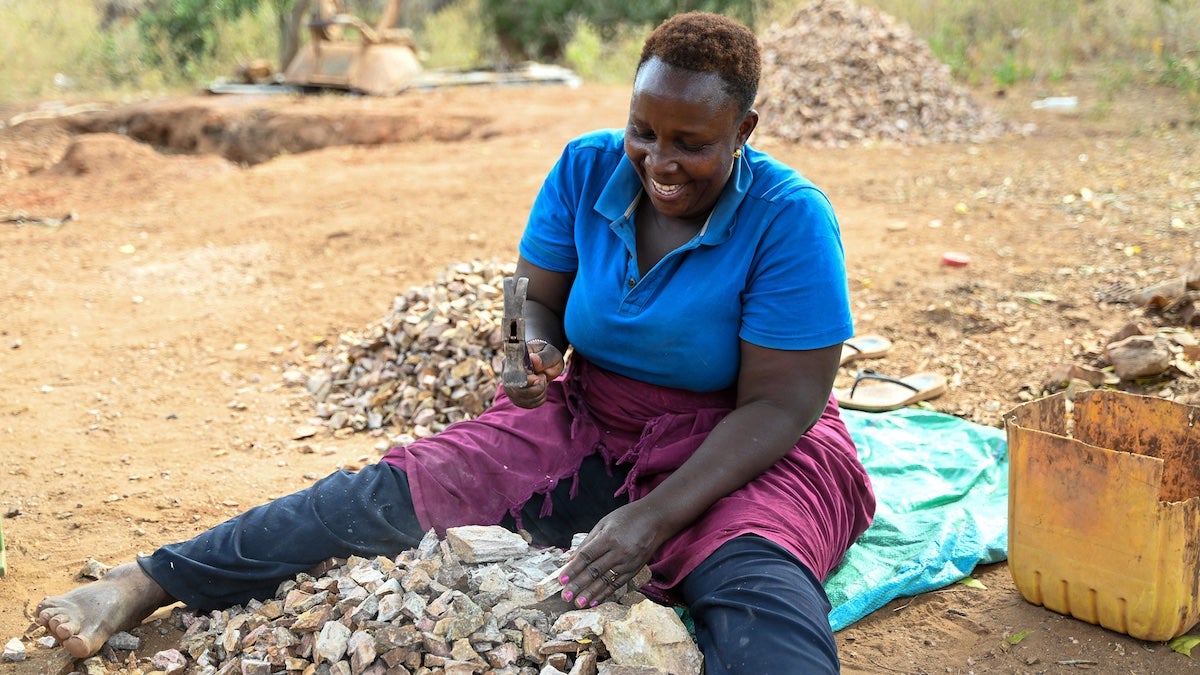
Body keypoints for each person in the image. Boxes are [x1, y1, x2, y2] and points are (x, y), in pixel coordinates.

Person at [36, 12, 875, 674]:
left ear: (745, 130)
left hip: (743, 445)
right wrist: (526, 353)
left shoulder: (789, 220)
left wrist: (651, 519)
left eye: (692, 142)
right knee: (373, 495)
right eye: (644, 130)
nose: (660, 159)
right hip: (590, 418)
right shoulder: (587, 169)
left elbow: (784, 402)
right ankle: (144, 580)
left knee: (761, 602)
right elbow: (527, 298)